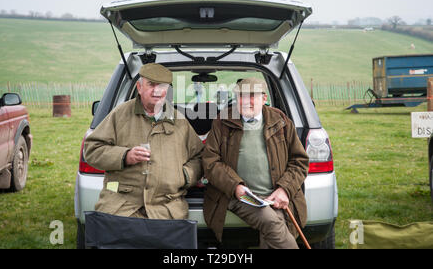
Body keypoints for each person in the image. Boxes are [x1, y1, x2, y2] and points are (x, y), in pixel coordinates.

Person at [84, 63, 204, 220]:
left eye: (162, 86)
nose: (157, 91)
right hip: (122, 206)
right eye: (151, 85)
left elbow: (200, 157)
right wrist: (125, 156)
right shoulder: (120, 114)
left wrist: (185, 176)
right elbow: (92, 150)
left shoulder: (180, 122)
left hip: (166, 209)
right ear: (139, 87)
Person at [202, 77, 309, 249]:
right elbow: (210, 162)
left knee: (273, 230)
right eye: (241, 96)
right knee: (273, 223)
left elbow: (299, 161)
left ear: (264, 99)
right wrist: (235, 186)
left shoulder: (281, 121)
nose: (246, 102)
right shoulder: (222, 121)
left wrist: (284, 189)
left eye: (252, 96)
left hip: (274, 195)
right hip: (238, 196)